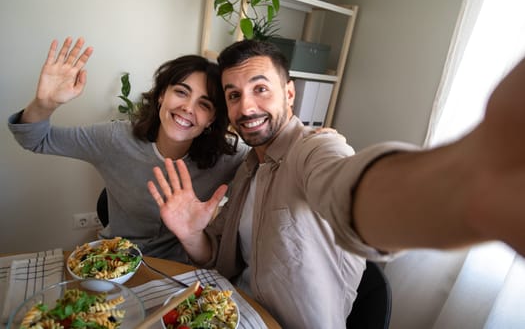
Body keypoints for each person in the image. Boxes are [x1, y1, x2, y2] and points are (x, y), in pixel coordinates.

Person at [147, 39, 525, 328]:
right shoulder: (247, 169)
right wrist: (192, 234)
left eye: (260, 88)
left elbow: (346, 186)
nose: (246, 108)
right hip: (235, 313)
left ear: (289, 93)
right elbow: (218, 259)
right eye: (234, 95)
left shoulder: (315, 149)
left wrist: (465, 187)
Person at [7, 37, 248, 262]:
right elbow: (36, 139)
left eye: (203, 104)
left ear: (212, 119)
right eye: (181, 92)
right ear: (162, 95)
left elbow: (269, 159)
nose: (187, 107)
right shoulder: (115, 138)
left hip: (179, 272)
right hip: (115, 263)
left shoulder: (226, 157)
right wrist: (43, 105)